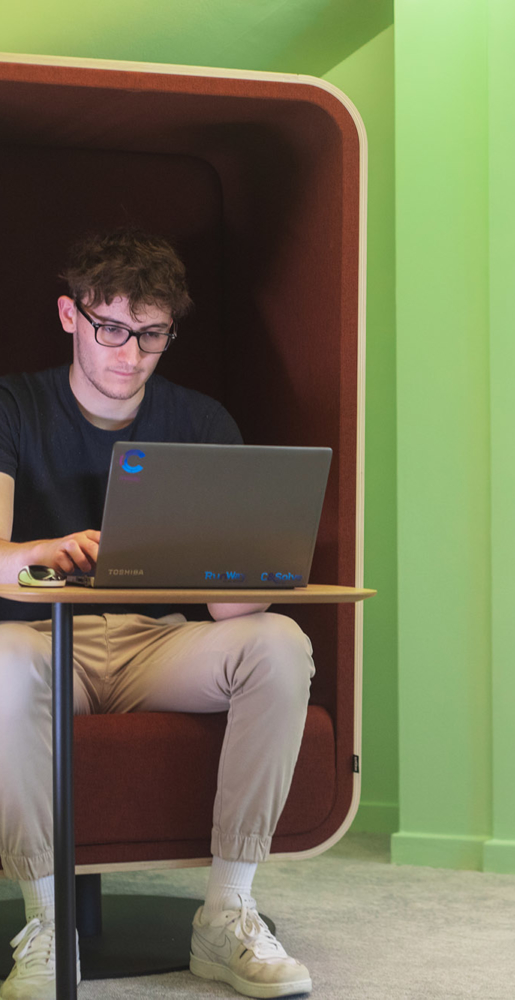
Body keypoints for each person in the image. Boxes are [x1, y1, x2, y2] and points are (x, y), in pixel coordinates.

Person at [0, 230, 315, 1000]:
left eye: (152, 334)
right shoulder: (14, 406)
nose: (130, 354)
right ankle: (46, 924)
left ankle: (226, 916)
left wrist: (254, 562)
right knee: (1, 665)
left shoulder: (201, 421)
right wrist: (50, 548)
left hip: (158, 645)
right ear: (71, 316)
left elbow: (232, 609)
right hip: (40, 641)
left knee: (279, 642)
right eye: (112, 329)